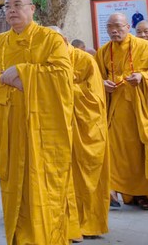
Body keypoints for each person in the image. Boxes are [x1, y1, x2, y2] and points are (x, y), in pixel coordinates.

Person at [0, 0, 74, 245]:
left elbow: (63, 76)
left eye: (18, 5)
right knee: (14, 192)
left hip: (45, 132)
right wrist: (11, 87)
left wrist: (23, 74)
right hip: (10, 128)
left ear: (32, 9)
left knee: (45, 189)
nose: (11, 10)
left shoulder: (50, 38)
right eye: (7, 6)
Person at [96, 13, 148, 211]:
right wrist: (102, 84)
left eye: (118, 26)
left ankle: (143, 194)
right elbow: (96, 78)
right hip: (116, 109)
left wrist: (143, 76)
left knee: (142, 150)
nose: (114, 31)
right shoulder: (104, 51)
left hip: (142, 110)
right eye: (109, 27)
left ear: (127, 26)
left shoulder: (145, 47)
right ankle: (115, 189)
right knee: (117, 151)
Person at [50, 27, 109, 239]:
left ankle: (88, 225)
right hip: (56, 131)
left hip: (85, 129)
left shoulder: (84, 60)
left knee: (85, 179)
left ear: (63, 40)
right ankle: (64, 225)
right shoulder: (47, 60)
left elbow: (94, 98)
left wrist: (63, 88)